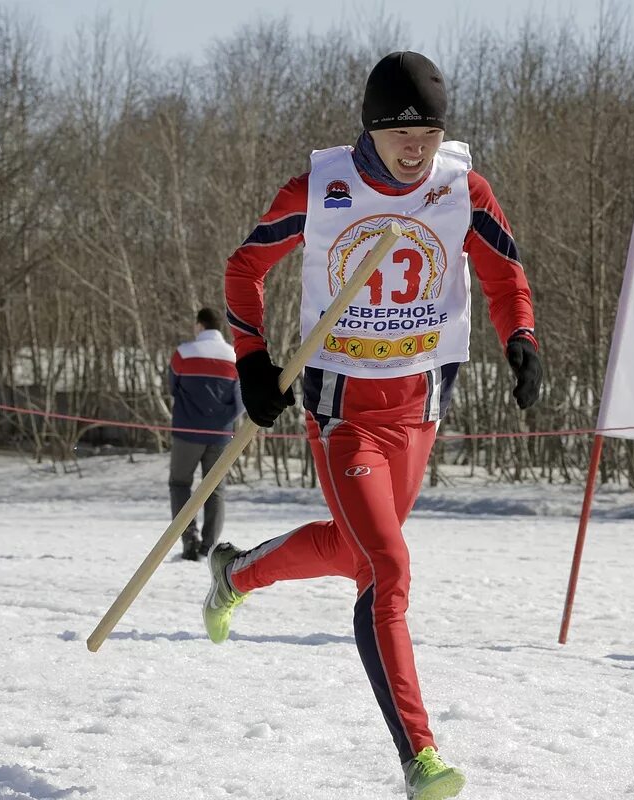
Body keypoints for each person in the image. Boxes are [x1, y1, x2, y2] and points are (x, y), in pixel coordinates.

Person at [207, 51, 542, 800]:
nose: (416, 145)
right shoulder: (323, 189)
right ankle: (420, 757)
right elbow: (244, 268)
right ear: (370, 129)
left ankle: (235, 574)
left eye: (428, 129)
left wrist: (521, 339)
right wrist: (252, 359)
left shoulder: (462, 188)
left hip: (419, 409)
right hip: (344, 413)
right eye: (400, 132)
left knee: (357, 552)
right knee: (387, 568)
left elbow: (503, 273)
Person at [168, 307, 243, 561]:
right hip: (221, 435)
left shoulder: (183, 353)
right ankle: (209, 546)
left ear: (199, 326)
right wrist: (225, 421)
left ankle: (189, 540)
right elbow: (242, 400)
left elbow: (173, 388)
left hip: (186, 433)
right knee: (216, 489)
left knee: (180, 484)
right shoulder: (234, 357)